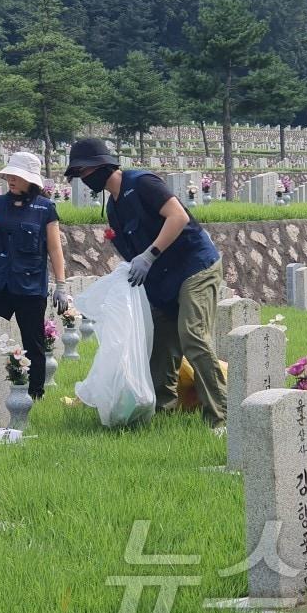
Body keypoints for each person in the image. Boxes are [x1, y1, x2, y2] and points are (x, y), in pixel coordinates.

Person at [64, 138, 227, 432]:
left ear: (102, 166)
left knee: (193, 335)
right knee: (160, 347)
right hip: (161, 282)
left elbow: (177, 216)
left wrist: (150, 255)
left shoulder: (141, 183)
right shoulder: (113, 209)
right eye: (78, 175)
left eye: (84, 172)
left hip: (195, 267)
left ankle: (221, 418)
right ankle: (163, 413)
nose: (83, 180)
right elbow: (132, 254)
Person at [0, 151, 69, 400]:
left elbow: (54, 248)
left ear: (30, 179)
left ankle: (34, 392)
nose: (11, 179)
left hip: (30, 286)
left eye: (17, 176)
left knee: (33, 342)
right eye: (9, 174)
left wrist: (61, 284)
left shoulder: (45, 209)